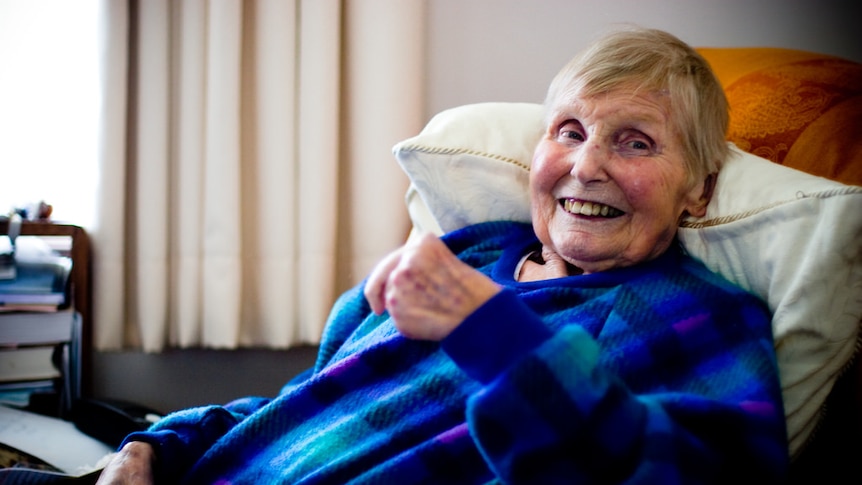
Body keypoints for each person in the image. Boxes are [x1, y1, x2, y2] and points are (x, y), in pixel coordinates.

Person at [96, 27, 788, 484]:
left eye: (636, 142)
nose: (587, 164)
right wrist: (160, 444)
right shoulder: (470, 250)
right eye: (569, 131)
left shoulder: (703, 316)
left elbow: (678, 471)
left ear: (699, 188)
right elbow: (305, 405)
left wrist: (492, 332)